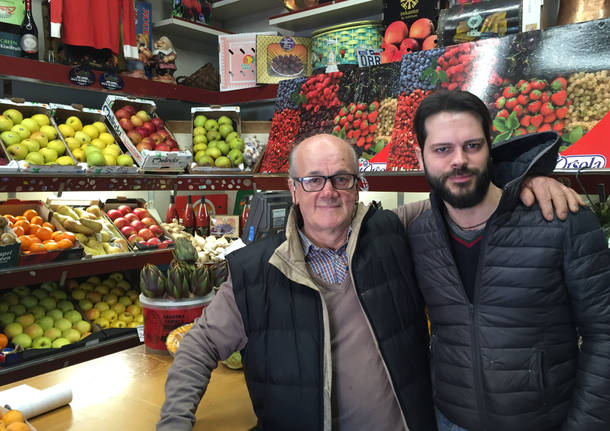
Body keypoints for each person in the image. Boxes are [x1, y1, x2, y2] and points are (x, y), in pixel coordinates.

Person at [157, 133, 581, 431]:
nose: (328, 191)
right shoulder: (254, 272)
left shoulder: (396, 232)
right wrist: (175, 423)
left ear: (358, 186)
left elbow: (464, 196)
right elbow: (199, 348)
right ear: (293, 188)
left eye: (342, 178)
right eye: (313, 180)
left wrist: (524, 179)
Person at [407, 90, 610, 431]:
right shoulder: (417, 234)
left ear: (490, 147)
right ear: (420, 156)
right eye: (442, 149)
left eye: (472, 146)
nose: (459, 160)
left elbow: (604, 333)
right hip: (451, 421)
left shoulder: (561, 219)